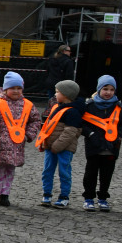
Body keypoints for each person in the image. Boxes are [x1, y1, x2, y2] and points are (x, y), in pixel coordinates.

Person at [0, 72, 42, 206]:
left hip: (17, 145)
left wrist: (28, 135)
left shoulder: (28, 105)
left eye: (19, 88)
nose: (16, 91)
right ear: (5, 89)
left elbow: (35, 121)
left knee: (10, 171)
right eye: (13, 88)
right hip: (0, 145)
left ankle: (5, 194)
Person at [80, 75, 122, 211]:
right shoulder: (89, 106)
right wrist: (90, 134)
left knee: (106, 175)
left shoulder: (119, 107)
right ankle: (89, 198)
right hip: (94, 146)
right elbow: (82, 124)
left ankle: (103, 198)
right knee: (90, 174)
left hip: (111, 147)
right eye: (105, 89)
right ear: (98, 89)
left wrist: (119, 134)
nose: (108, 92)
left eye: (111, 90)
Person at [37, 80, 84, 209]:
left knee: (64, 172)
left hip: (64, 148)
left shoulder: (73, 112)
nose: (55, 95)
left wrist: (57, 146)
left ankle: (64, 196)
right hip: (51, 147)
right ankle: (47, 194)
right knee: (47, 171)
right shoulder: (57, 107)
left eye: (58, 92)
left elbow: (70, 132)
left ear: (66, 95)